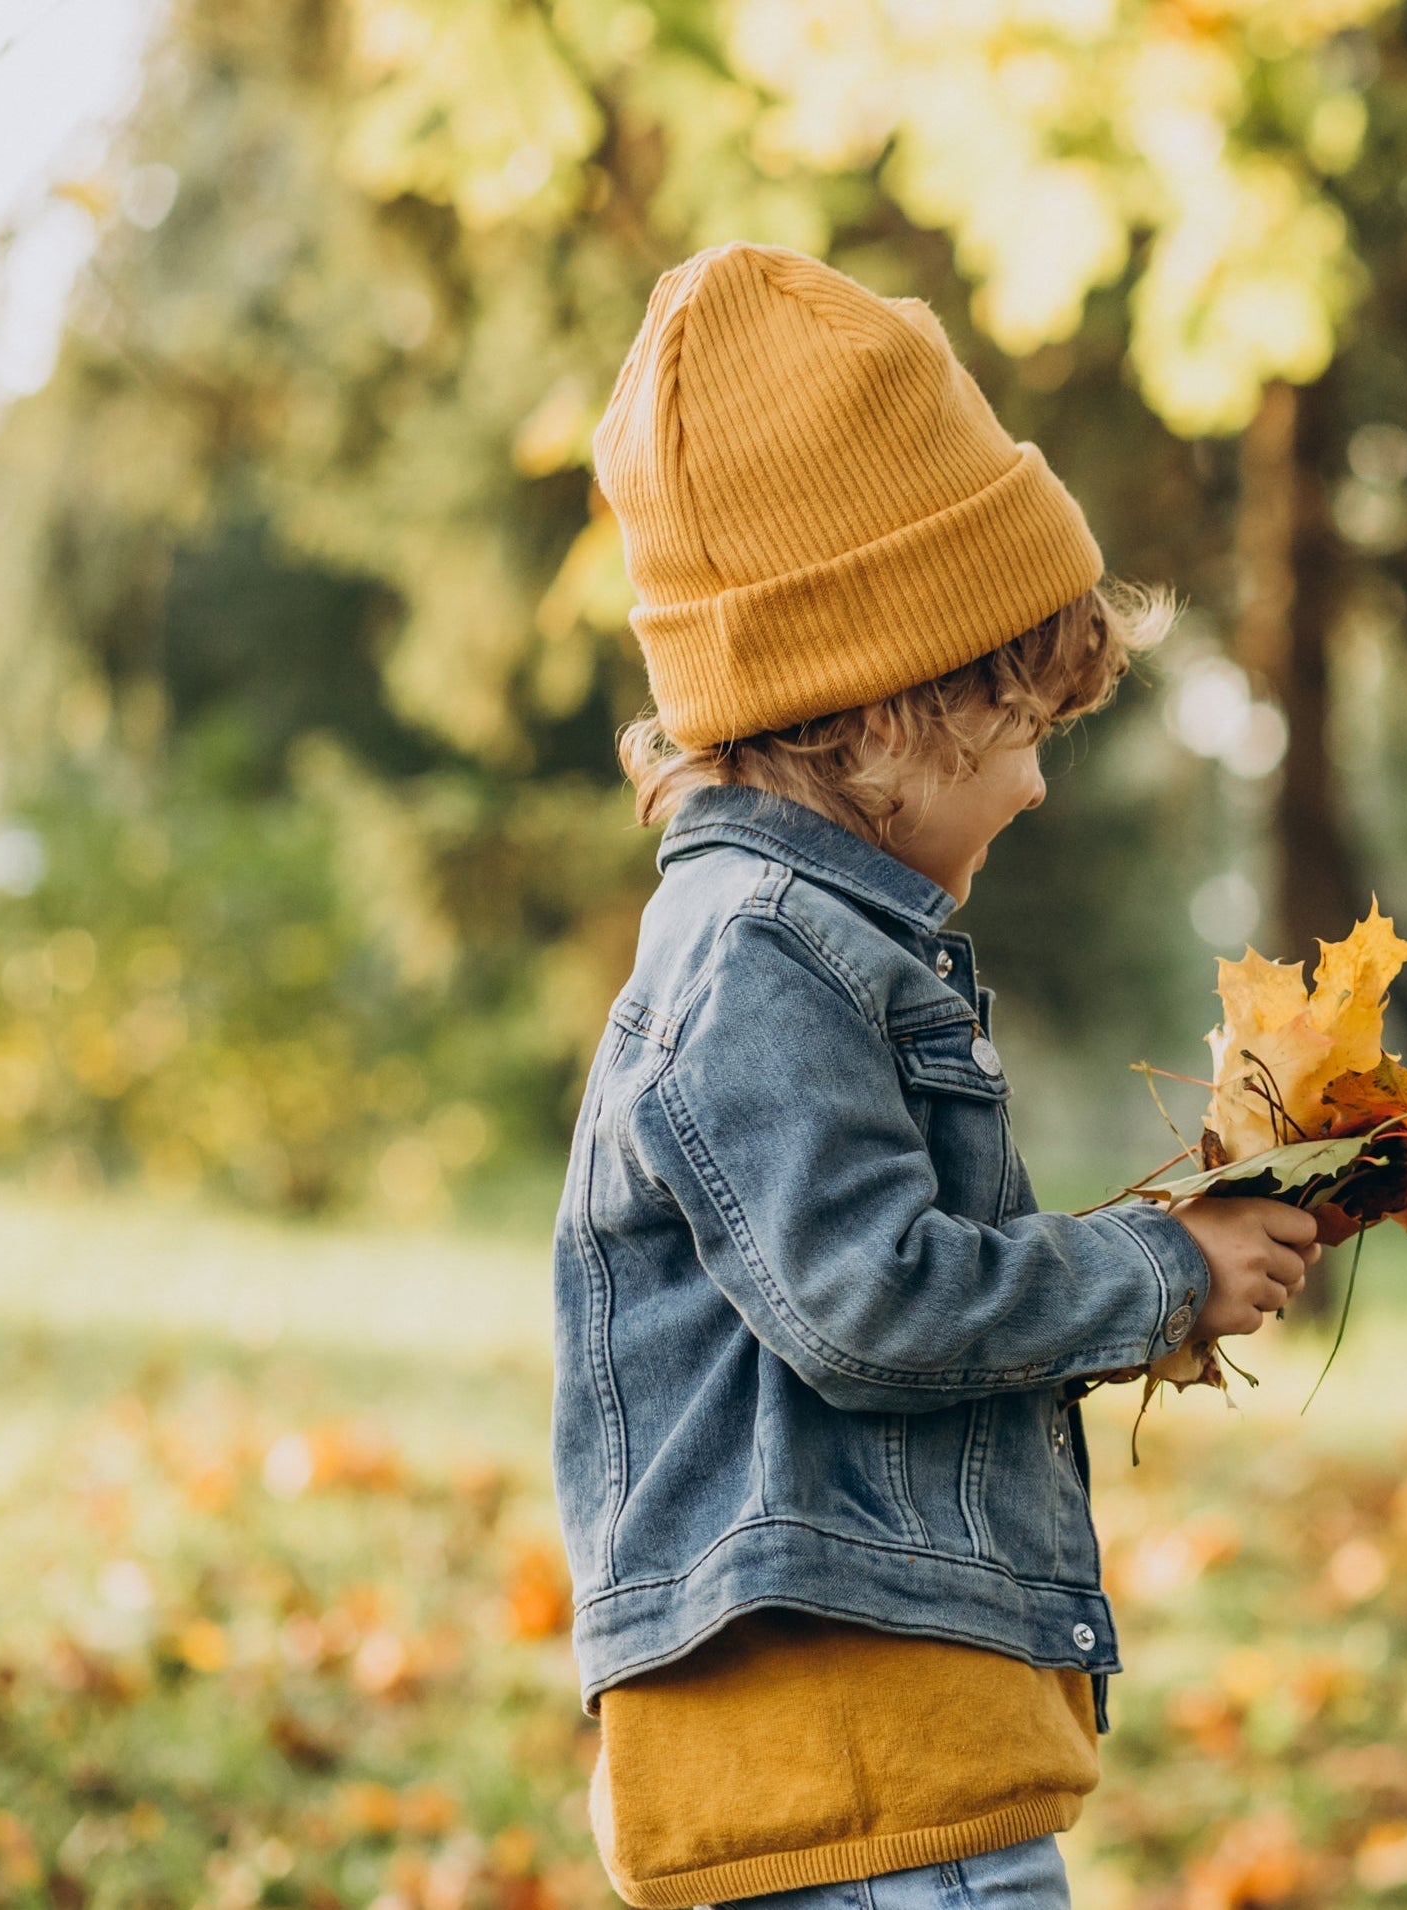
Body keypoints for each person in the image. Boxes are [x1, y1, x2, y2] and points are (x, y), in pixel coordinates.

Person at [551, 242, 1320, 1910]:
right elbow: (872, 1301)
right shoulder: (763, 953)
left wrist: (1170, 1269)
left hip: (879, 1771)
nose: (1039, 784)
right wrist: (1153, 1267)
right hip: (858, 1788)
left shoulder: (800, 943)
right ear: (883, 717)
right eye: (1024, 722)